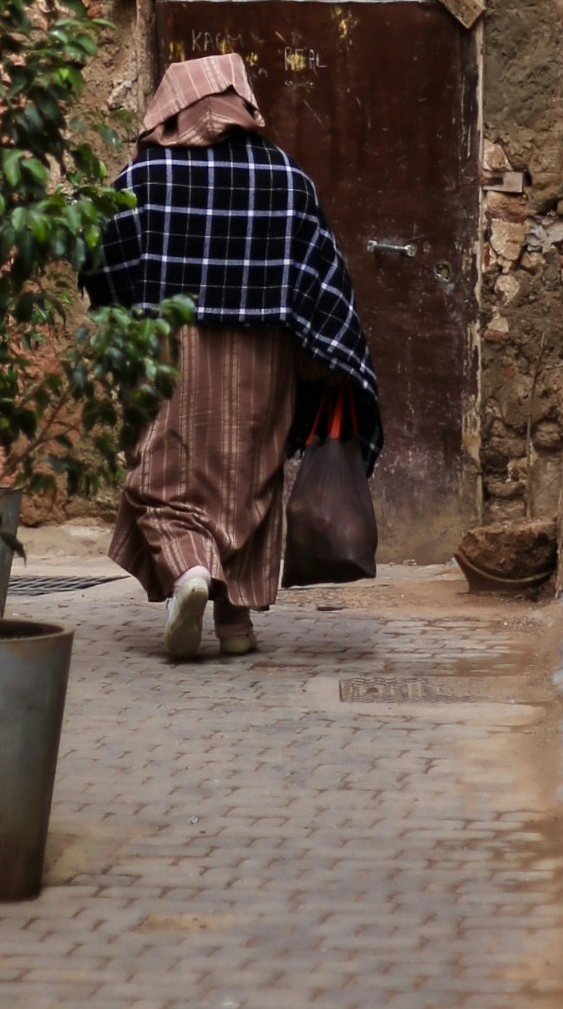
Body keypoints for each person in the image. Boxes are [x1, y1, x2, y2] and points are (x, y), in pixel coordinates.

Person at [80, 52, 381, 661]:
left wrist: (124, 318)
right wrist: (328, 357)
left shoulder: (143, 179)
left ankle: (190, 570)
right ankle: (236, 620)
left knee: (161, 475)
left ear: (176, 109)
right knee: (250, 480)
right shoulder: (286, 178)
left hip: (169, 348)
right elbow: (322, 275)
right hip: (263, 355)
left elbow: (100, 258)